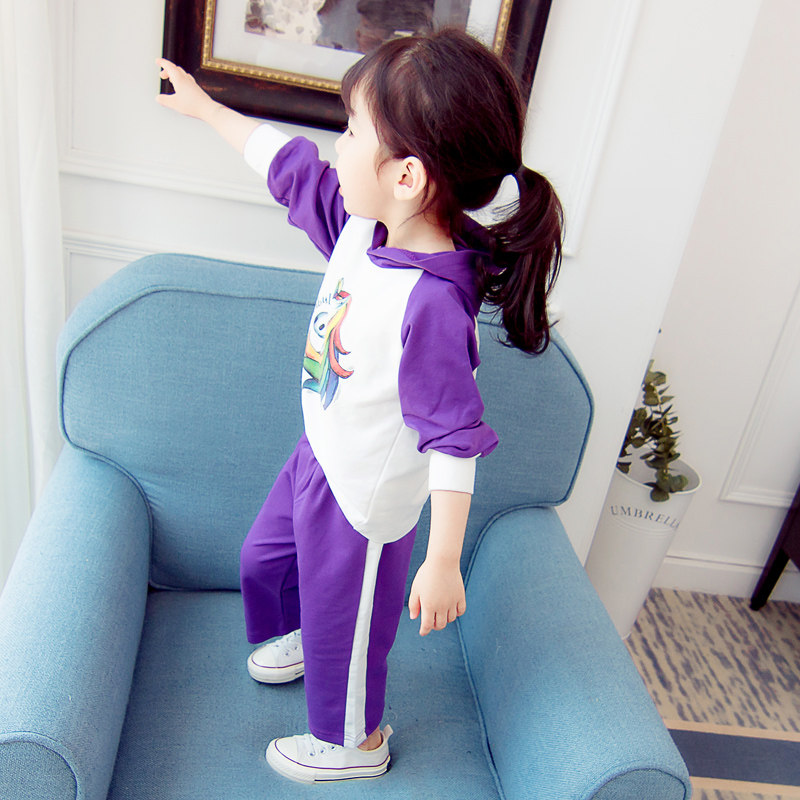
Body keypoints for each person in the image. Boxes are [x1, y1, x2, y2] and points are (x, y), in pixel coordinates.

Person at [156, 27, 563, 784]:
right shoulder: (361, 229)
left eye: (351, 132)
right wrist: (207, 110)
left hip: (364, 501)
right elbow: (286, 167)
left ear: (406, 176)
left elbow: (453, 437)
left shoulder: (431, 303)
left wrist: (443, 560)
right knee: (263, 562)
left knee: (348, 630)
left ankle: (354, 743)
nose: (336, 149)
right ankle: (312, 635)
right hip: (319, 454)